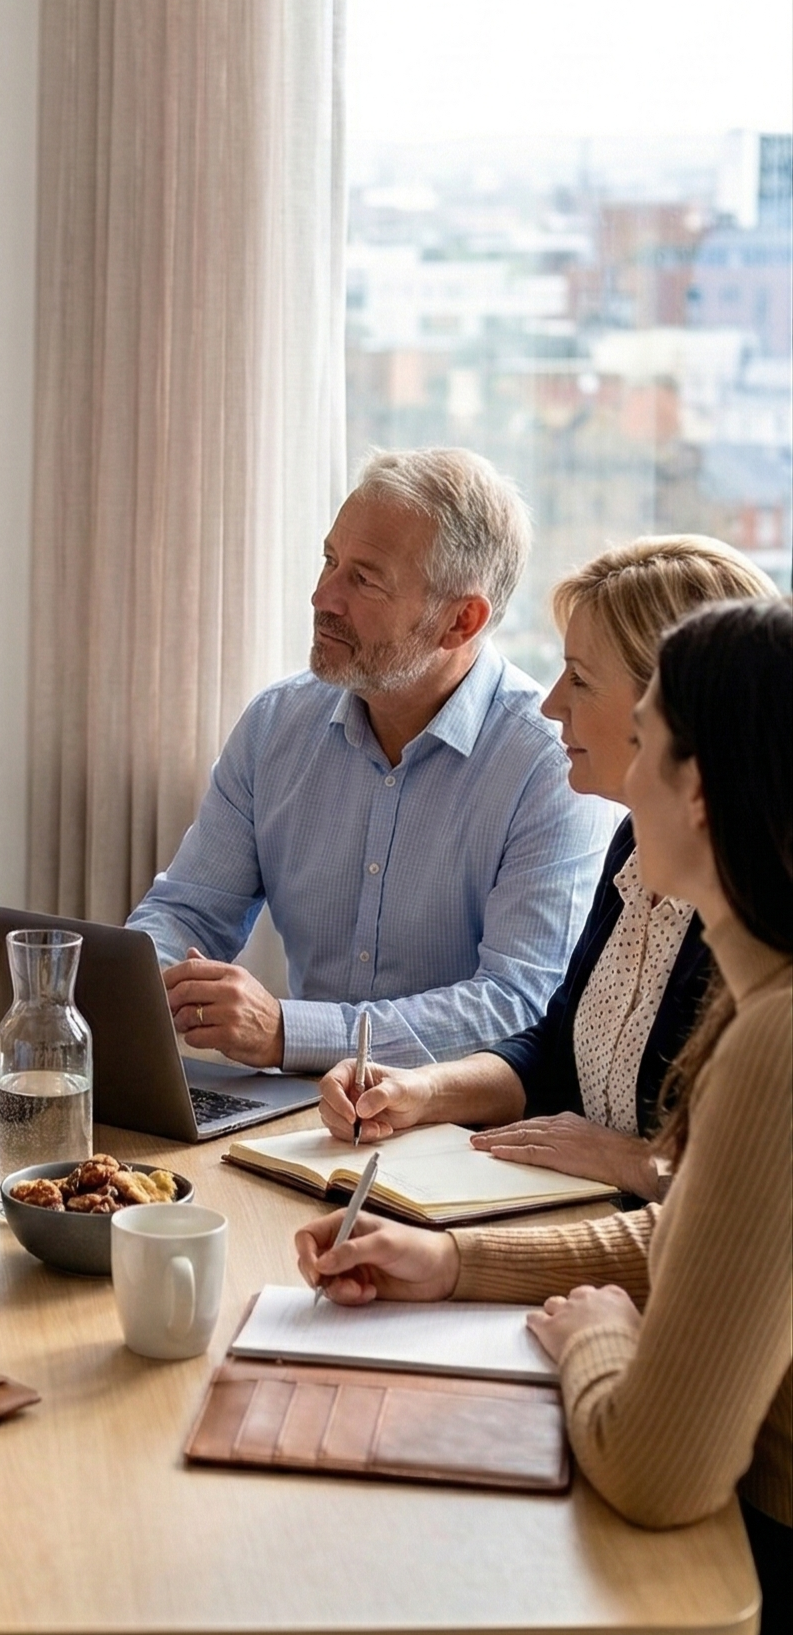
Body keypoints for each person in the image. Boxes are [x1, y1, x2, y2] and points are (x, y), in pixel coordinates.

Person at [298, 597, 792, 1615]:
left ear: (698, 788)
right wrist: (454, 1263)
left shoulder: (776, 1041)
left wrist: (595, 1335)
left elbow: (659, 1475)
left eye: (643, 738)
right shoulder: (763, 997)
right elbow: (701, 1230)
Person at [128, 447, 616, 1074]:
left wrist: (288, 1032)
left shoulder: (546, 765)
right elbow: (187, 913)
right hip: (296, 1117)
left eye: (363, 579)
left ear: (460, 621)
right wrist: (130, 990)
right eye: (330, 560)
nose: (322, 596)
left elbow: (517, 1006)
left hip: (461, 1139)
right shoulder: (275, 724)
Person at [316, 537, 777, 1196]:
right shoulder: (637, 844)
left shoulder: (750, 918)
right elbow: (560, 1049)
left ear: (675, 713)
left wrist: (638, 1163)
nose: (552, 702)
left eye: (581, 678)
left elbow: (752, 1187)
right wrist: (421, 1088)